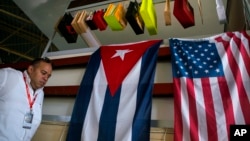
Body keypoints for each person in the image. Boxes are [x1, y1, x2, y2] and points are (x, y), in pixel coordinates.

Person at [0, 57, 53, 141]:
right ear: (31, 69)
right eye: (43, 73)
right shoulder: (9, 76)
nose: (46, 78)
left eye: (48, 76)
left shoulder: (40, 94)